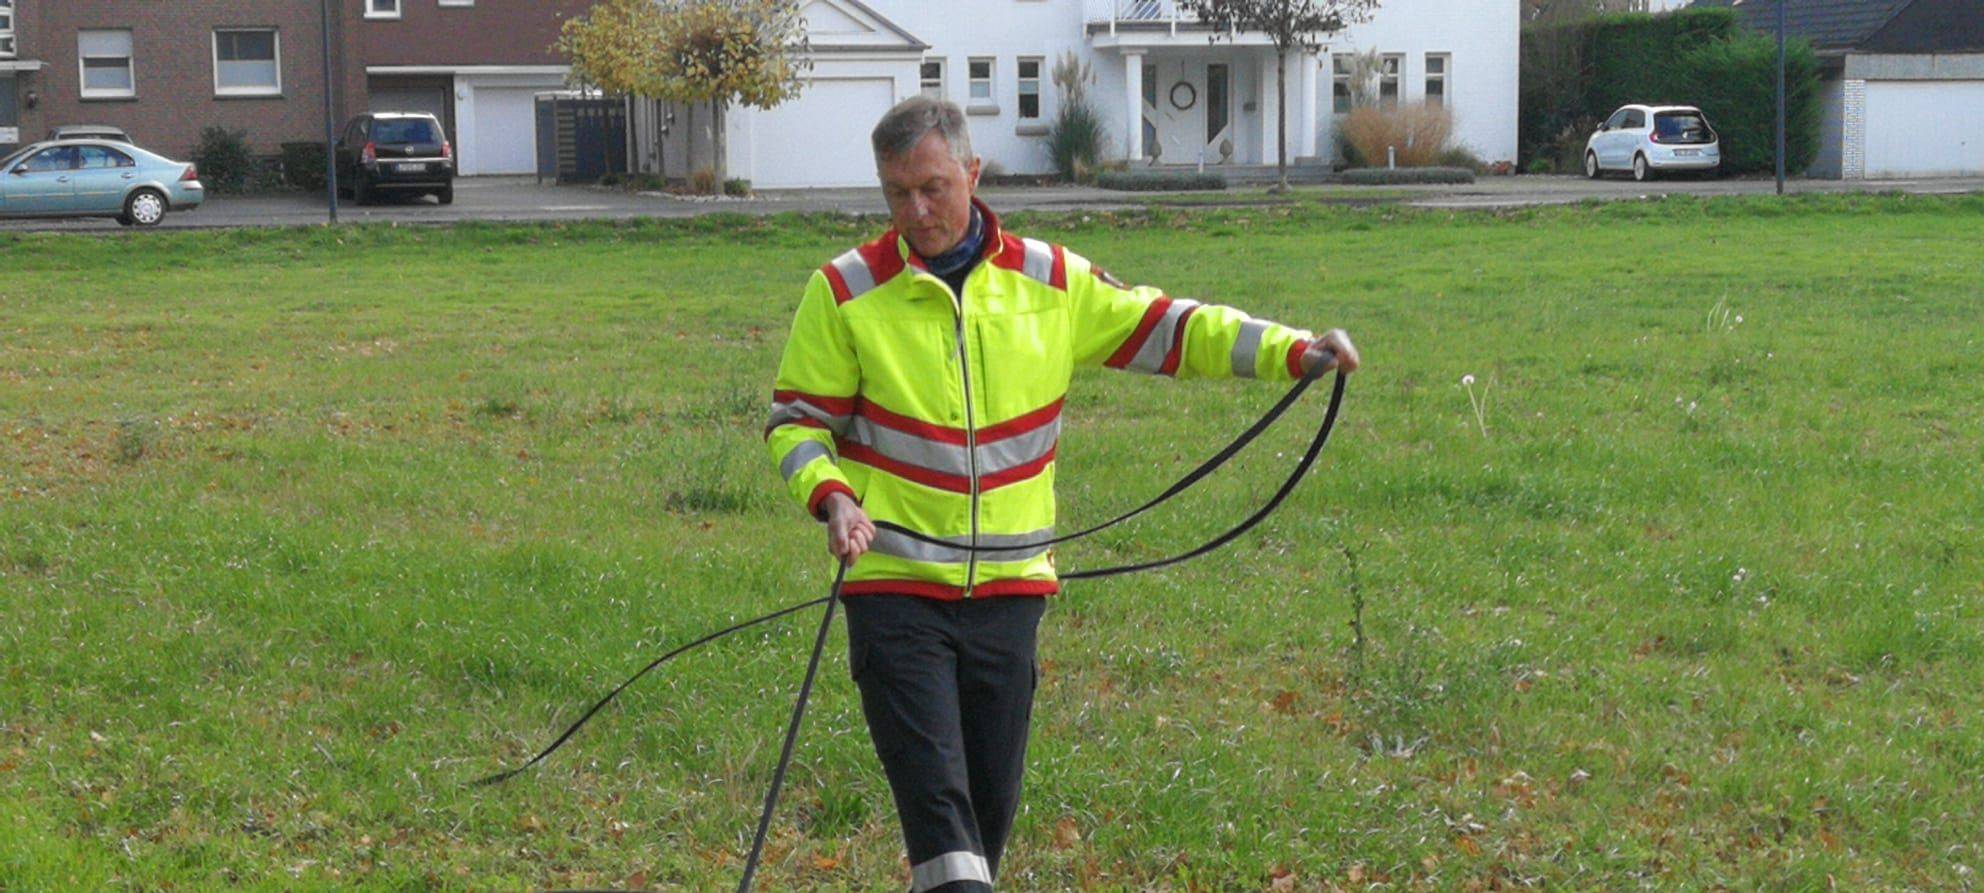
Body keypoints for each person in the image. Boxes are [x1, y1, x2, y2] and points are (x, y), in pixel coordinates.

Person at [764, 96, 1359, 893]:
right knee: (946, 835)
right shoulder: (844, 290)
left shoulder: (1050, 280)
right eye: (897, 193)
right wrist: (831, 494)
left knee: (984, 823)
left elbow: (1171, 328)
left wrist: (1295, 351)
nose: (918, 210)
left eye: (935, 187)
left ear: (973, 174)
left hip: (1011, 594)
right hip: (894, 594)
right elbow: (795, 422)